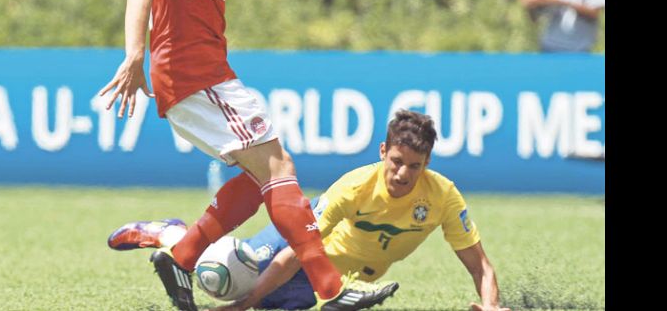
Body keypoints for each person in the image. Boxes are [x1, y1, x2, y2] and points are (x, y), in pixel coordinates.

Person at [98, 0, 397, 311]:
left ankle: (184, 253)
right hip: (197, 76)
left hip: (207, 72)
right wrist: (135, 54)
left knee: (265, 179)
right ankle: (331, 290)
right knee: (279, 167)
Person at [110, 110, 510, 311]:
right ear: (383, 152)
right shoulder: (354, 187)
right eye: (397, 161)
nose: (404, 174)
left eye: (415, 166)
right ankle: (171, 233)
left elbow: (481, 267)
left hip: (331, 275)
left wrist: (490, 306)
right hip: (302, 240)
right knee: (224, 278)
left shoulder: (442, 197)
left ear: (428, 163)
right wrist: (242, 304)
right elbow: (294, 251)